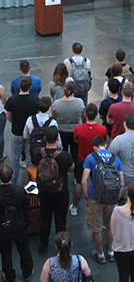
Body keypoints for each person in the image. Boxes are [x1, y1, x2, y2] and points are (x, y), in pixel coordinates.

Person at [32, 126, 74, 256]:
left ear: (45, 138)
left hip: (44, 191)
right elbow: (71, 169)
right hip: (60, 192)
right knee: (60, 220)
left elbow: (34, 164)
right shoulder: (64, 156)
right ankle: (61, 246)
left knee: (45, 219)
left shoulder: (38, 152)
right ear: (57, 138)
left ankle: (44, 245)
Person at [82, 136, 124, 264]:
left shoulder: (90, 158)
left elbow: (84, 181)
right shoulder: (115, 159)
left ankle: (100, 254)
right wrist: (117, 197)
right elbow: (122, 183)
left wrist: (87, 197)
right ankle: (111, 252)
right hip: (111, 198)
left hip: (95, 198)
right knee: (110, 226)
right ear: (105, 145)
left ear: (94, 147)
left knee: (97, 228)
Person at [71, 103, 107, 216]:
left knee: (79, 183)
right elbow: (103, 142)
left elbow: (76, 140)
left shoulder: (78, 128)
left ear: (85, 114)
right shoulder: (102, 129)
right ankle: (98, 206)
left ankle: (75, 207)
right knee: (97, 182)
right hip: (97, 160)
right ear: (96, 114)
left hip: (82, 159)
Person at [0, 165, 34, 282]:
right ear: (12, 176)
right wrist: (25, 222)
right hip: (19, 225)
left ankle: (9, 275)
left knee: (5, 252)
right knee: (24, 249)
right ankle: (27, 272)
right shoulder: (20, 191)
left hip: (3, 228)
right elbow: (27, 208)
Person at [111, 182, 134, 282]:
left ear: (127, 193)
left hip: (122, 249)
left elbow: (113, 230)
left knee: (123, 277)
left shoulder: (117, 211)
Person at [5, 77, 39, 184]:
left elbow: (8, 116)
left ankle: (13, 182)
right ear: (30, 87)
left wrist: (14, 123)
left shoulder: (12, 100)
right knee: (29, 157)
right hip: (30, 133)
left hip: (16, 131)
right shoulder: (35, 100)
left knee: (15, 157)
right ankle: (30, 182)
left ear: (19, 86)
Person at [52, 81, 84, 164]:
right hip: (76, 130)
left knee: (63, 153)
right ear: (74, 91)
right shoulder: (79, 102)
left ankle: (64, 171)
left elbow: (54, 118)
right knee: (75, 153)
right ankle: (76, 174)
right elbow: (83, 116)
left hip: (62, 131)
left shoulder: (56, 104)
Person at [0, 84, 6, 163]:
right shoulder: (0, 87)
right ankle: (0, 155)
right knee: (0, 134)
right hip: (0, 113)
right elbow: (4, 101)